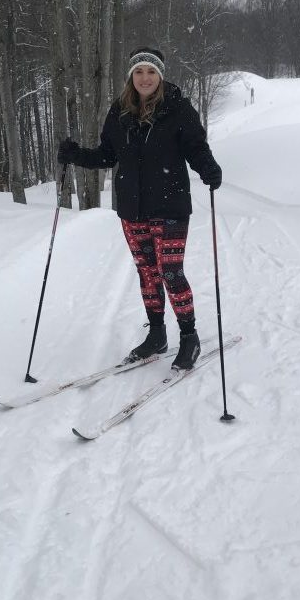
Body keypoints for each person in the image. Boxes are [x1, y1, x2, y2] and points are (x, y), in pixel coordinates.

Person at [57, 46, 222, 370]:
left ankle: (189, 337)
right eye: (139, 72)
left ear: (160, 76)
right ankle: (157, 335)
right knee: (147, 273)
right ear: (131, 77)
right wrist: (76, 155)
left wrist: (209, 168)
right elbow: (107, 155)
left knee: (170, 272)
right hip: (132, 208)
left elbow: (196, 147)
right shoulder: (119, 112)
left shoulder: (178, 108)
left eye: (150, 72)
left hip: (171, 205)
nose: (144, 78)